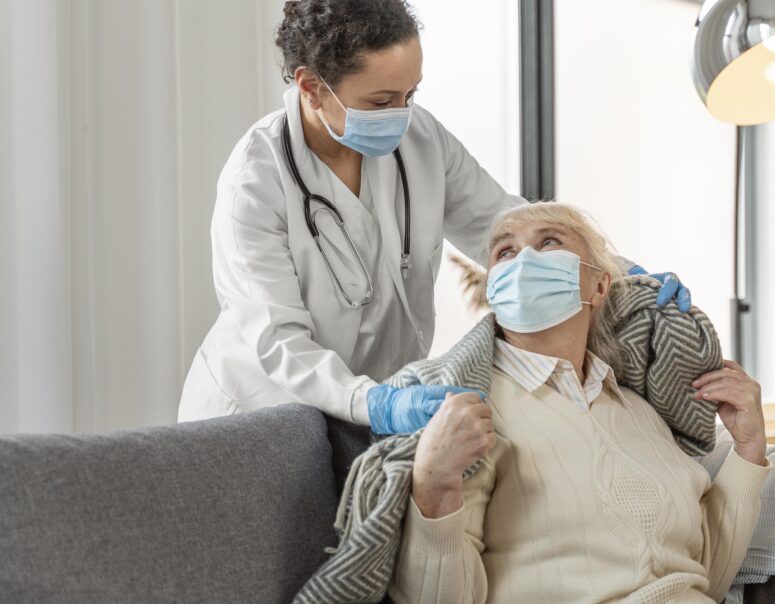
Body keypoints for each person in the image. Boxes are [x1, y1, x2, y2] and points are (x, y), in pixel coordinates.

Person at [386, 202, 775, 604]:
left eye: (549, 241)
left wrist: (749, 450)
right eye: (505, 251)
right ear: (493, 288)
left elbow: (705, 575)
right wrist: (434, 482)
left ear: (600, 284)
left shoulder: (639, 411)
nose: (524, 261)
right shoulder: (465, 410)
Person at [176, 0, 689, 434]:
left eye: (410, 94)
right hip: (263, 412)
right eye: (381, 100)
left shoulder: (419, 138)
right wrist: (375, 403)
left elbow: (502, 224)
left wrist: (617, 272)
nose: (401, 114)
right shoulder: (255, 181)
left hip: (377, 404)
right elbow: (278, 339)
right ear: (311, 87)